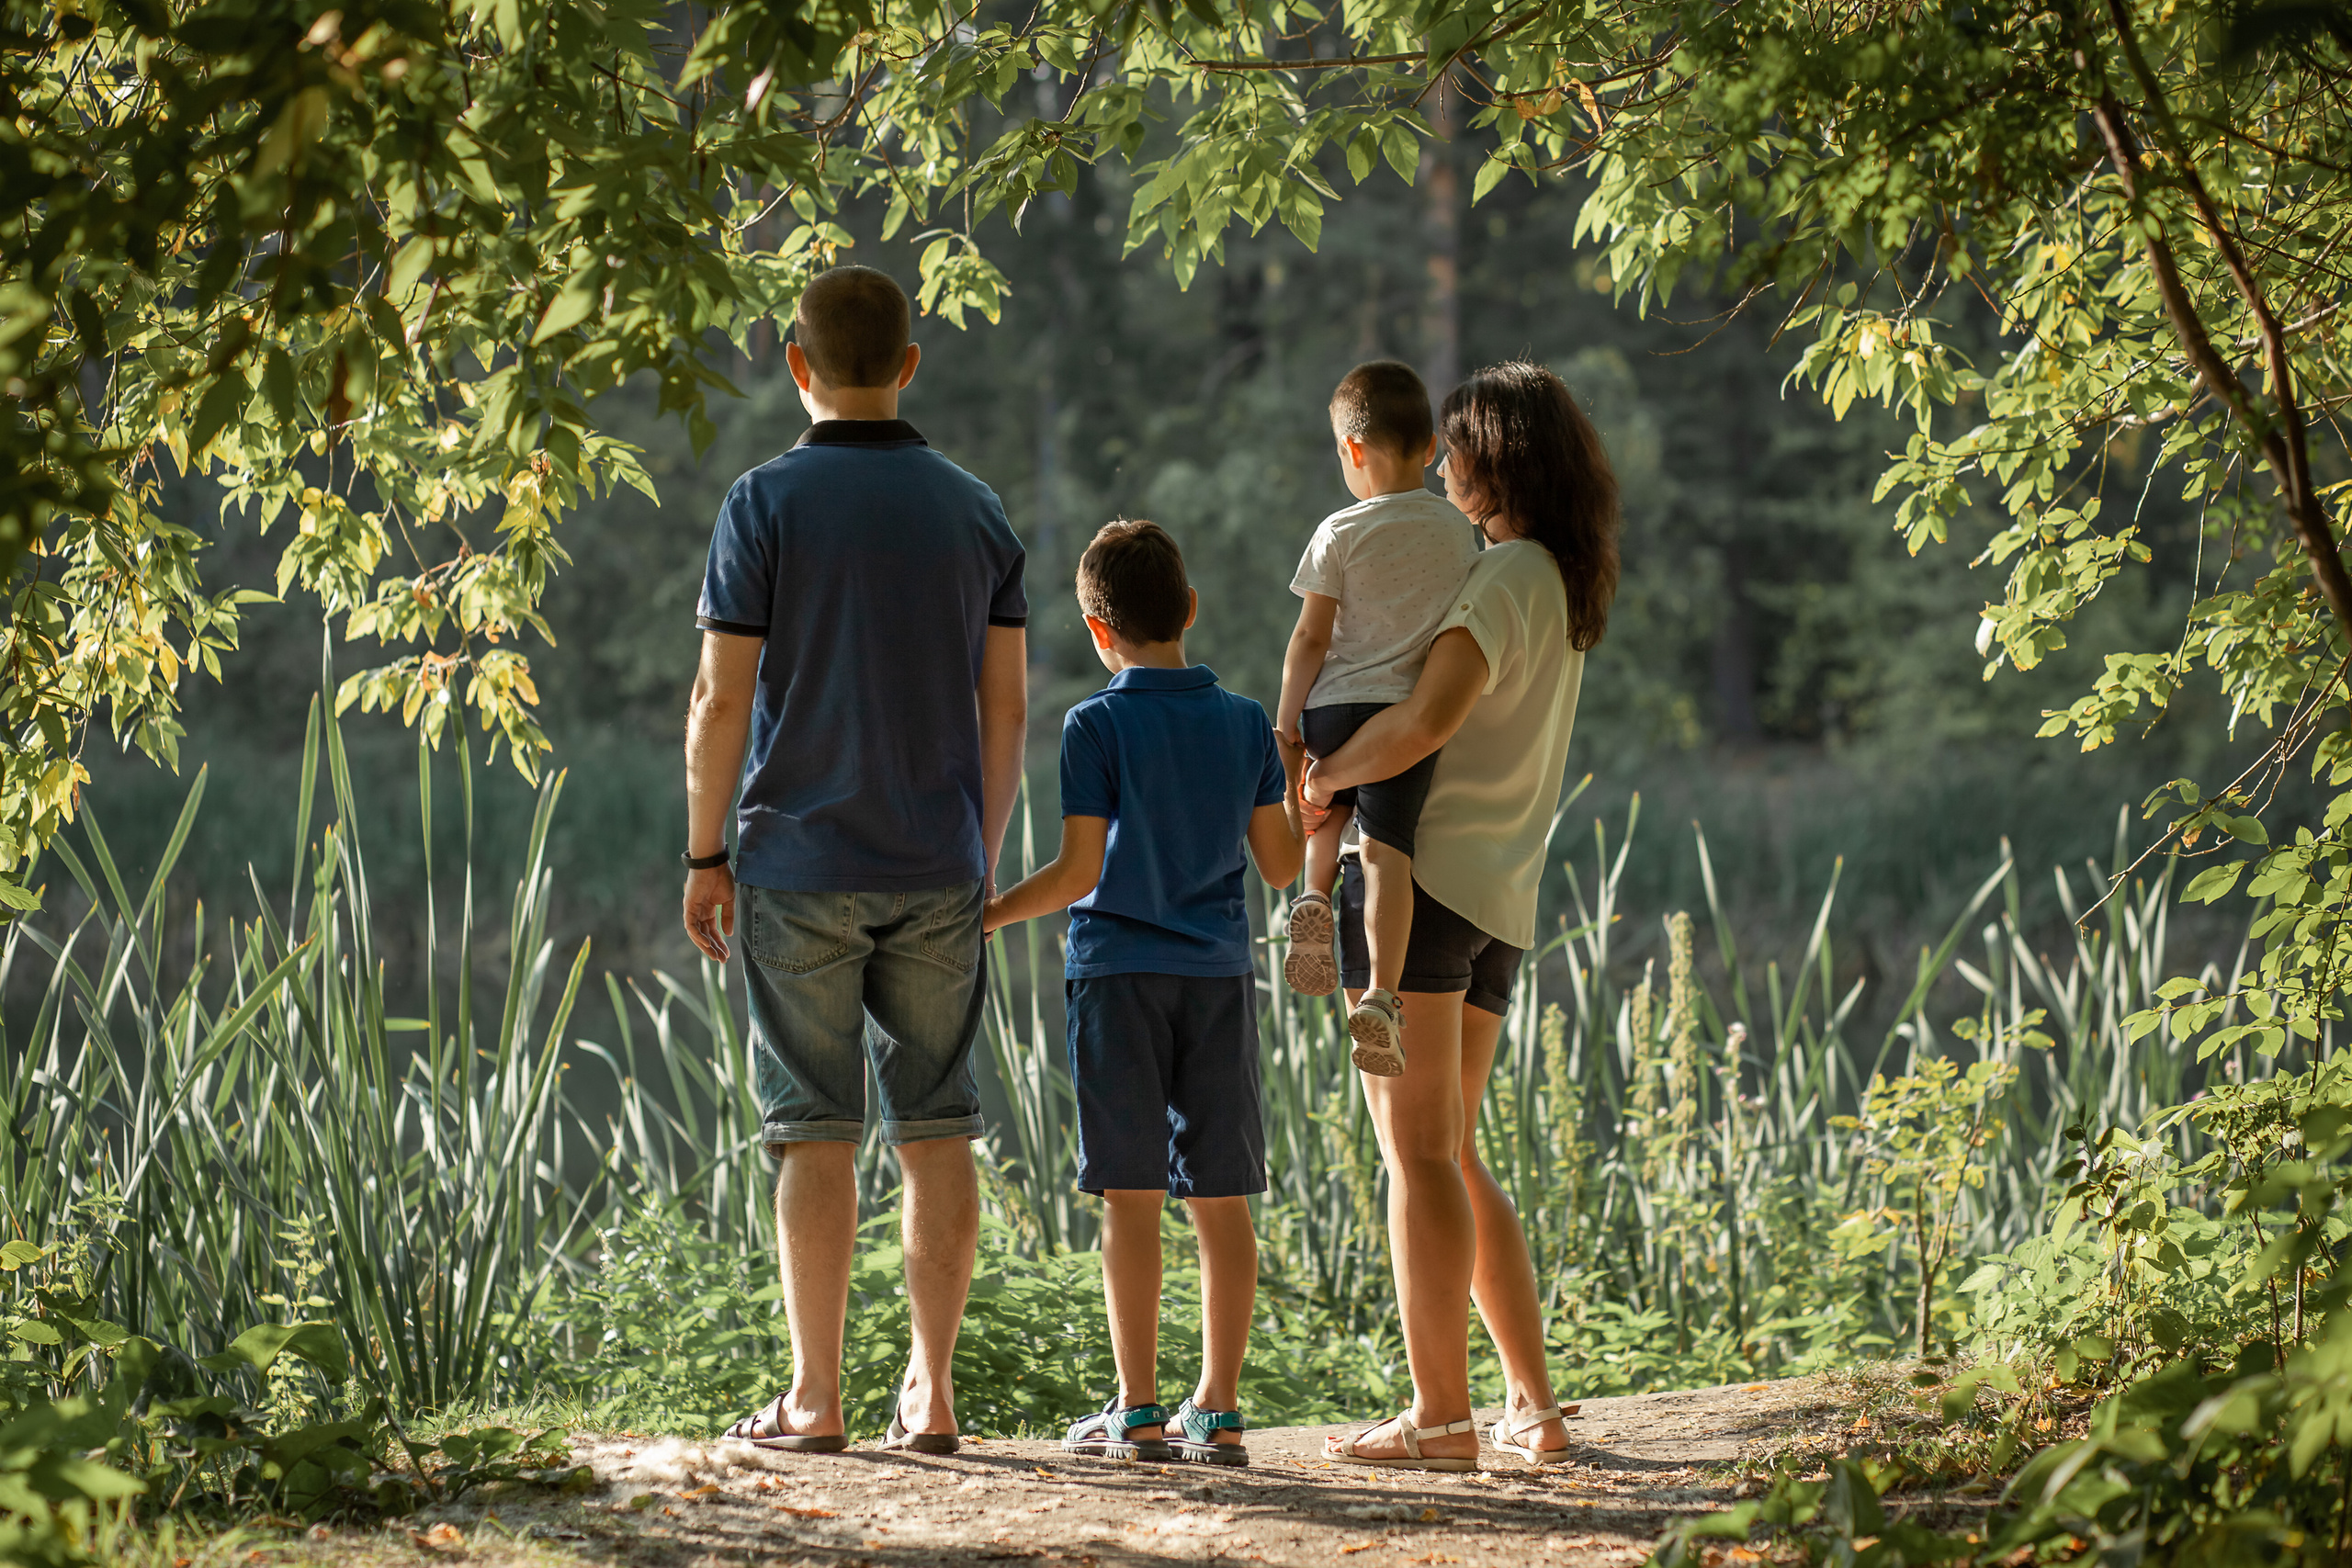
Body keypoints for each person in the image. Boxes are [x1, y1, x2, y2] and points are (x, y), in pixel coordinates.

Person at [680, 265, 1028, 1456]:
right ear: (911, 364)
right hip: (939, 859)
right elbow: (1009, 709)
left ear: (797, 365)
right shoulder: (976, 507)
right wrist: (981, 847)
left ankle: (815, 1396)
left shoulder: (762, 502)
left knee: (810, 1126)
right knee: (940, 1123)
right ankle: (932, 1393)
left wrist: (704, 850)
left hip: (799, 862)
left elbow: (722, 698)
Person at [1303, 362, 1621, 1472]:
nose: (1440, 467)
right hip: (1498, 903)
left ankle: (1441, 1417)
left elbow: (1423, 722)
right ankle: (1531, 1407)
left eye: (1455, 450)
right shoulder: (1558, 584)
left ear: (1497, 458)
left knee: (1415, 1159)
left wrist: (1322, 774)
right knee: (1451, 1151)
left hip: (1420, 889)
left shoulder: (1496, 580)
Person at [985, 520, 1305, 1466]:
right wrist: (1299, 791)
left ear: (1096, 629)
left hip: (1116, 978)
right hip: (1215, 977)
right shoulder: (1246, 721)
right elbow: (1283, 866)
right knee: (1221, 1199)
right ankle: (1219, 1408)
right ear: (1190, 610)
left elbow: (1078, 873)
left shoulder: (1094, 724)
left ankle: (1136, 1411)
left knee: (1127, 1199)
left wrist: (991, 913)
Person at [1272, 361, 1480, 1077]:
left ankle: (1310, 898)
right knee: (1387, 851)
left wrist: (1287, 721)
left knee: (1321, 810)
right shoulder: (1459, 533)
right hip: (1401, 715)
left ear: (1352, 450)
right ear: (1429, 448)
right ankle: (1384, 996)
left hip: (1332, 706)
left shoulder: (1337, 531)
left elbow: (1309, 638)